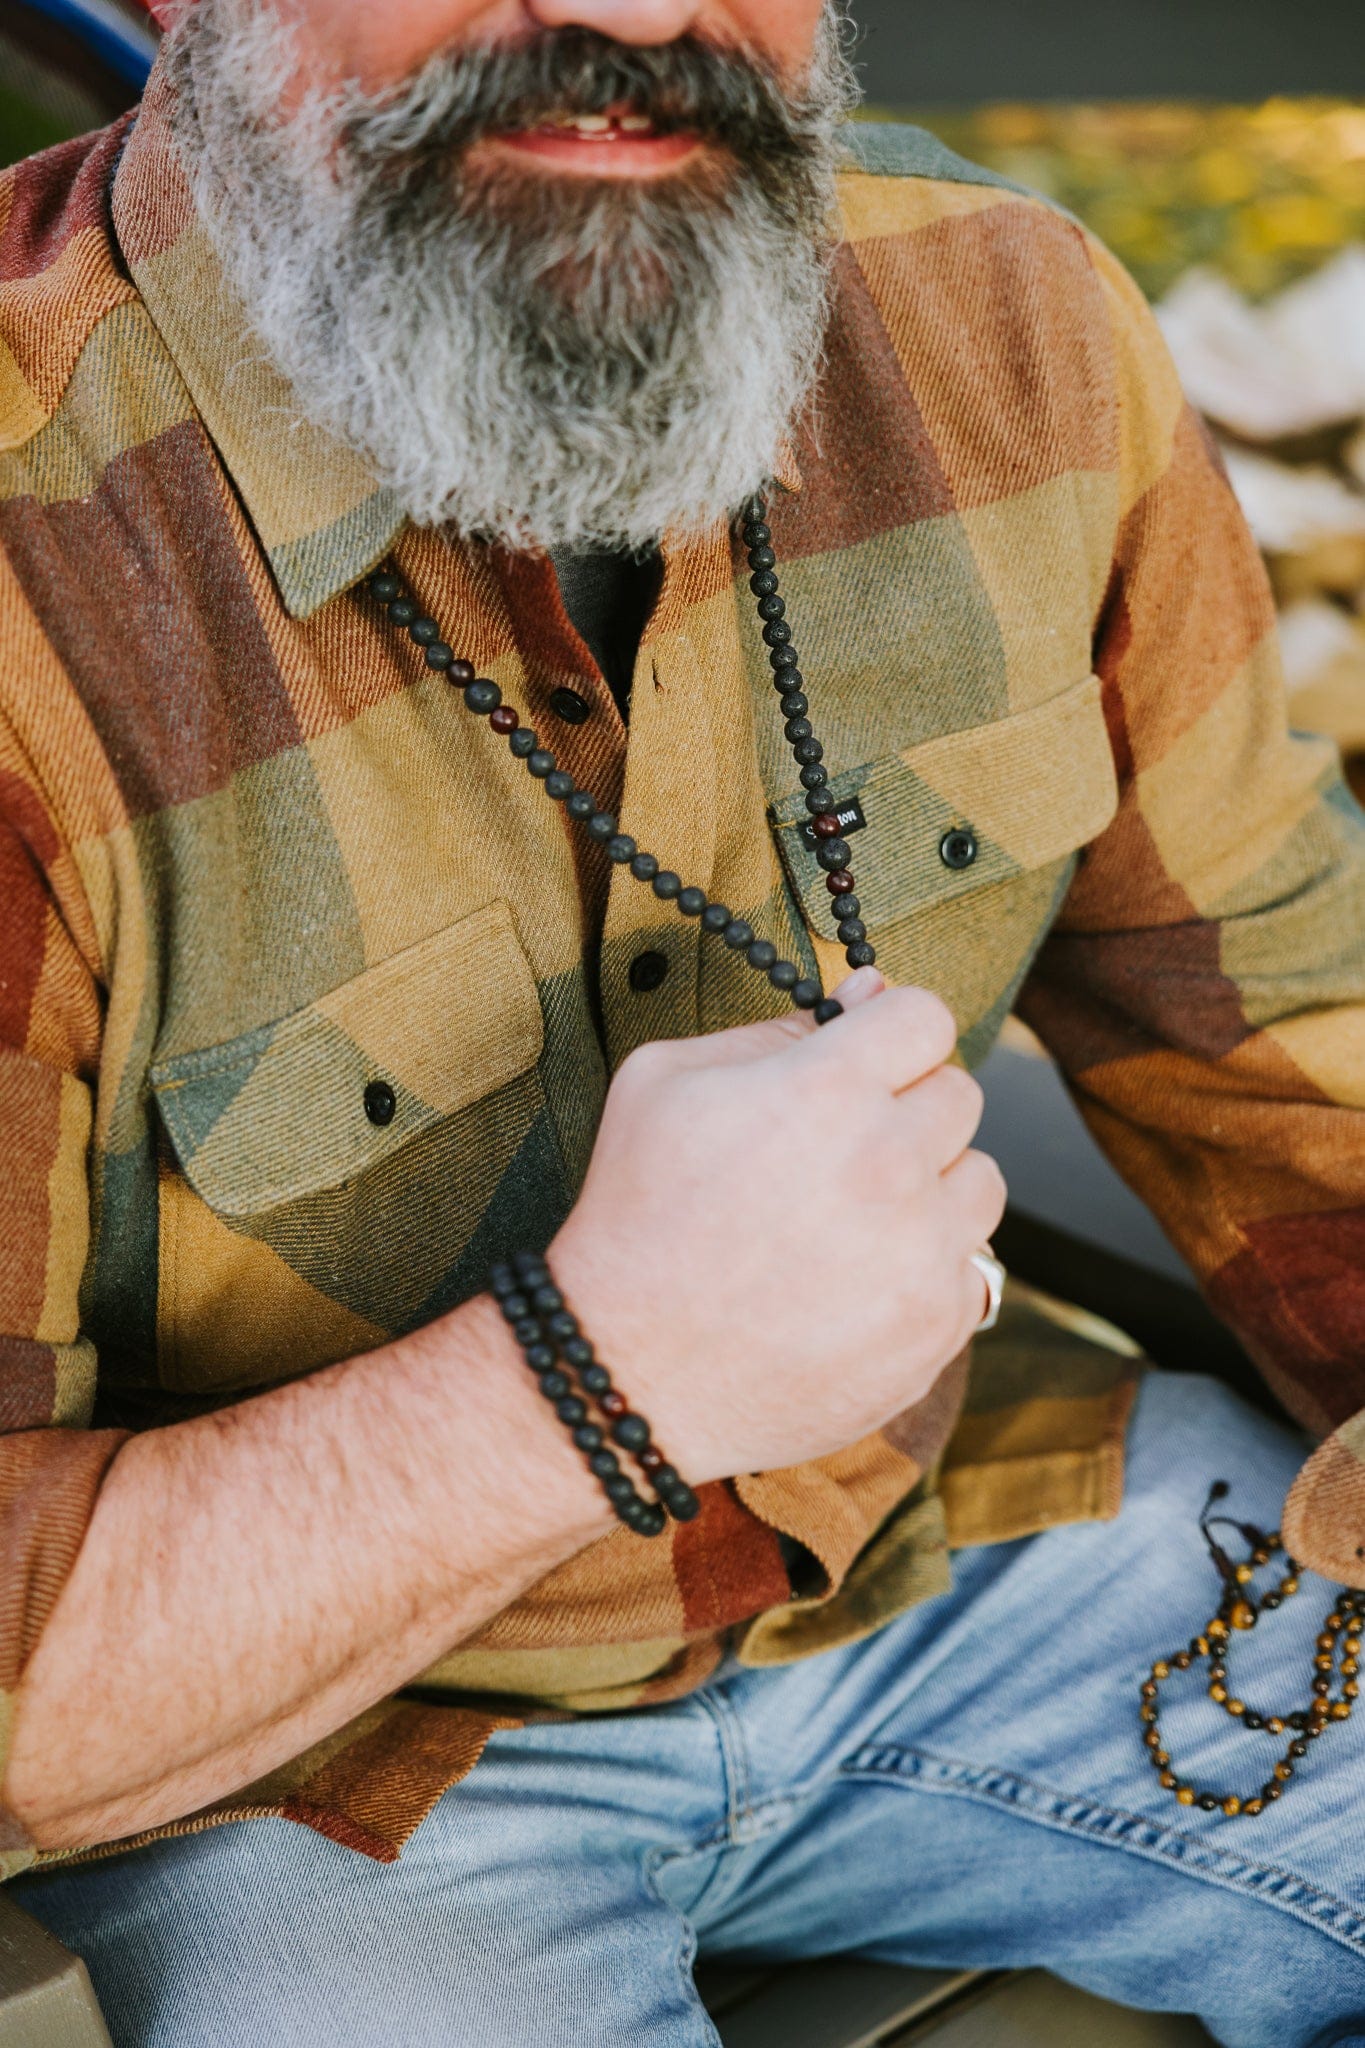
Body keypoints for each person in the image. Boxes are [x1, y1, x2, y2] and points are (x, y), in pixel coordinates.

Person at [1, 0, 1363, 2040]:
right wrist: (591, 1375)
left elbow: (1281, 1024)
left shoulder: (1020, 332)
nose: (635, 17)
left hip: (960, 1530)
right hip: (302, 1772)